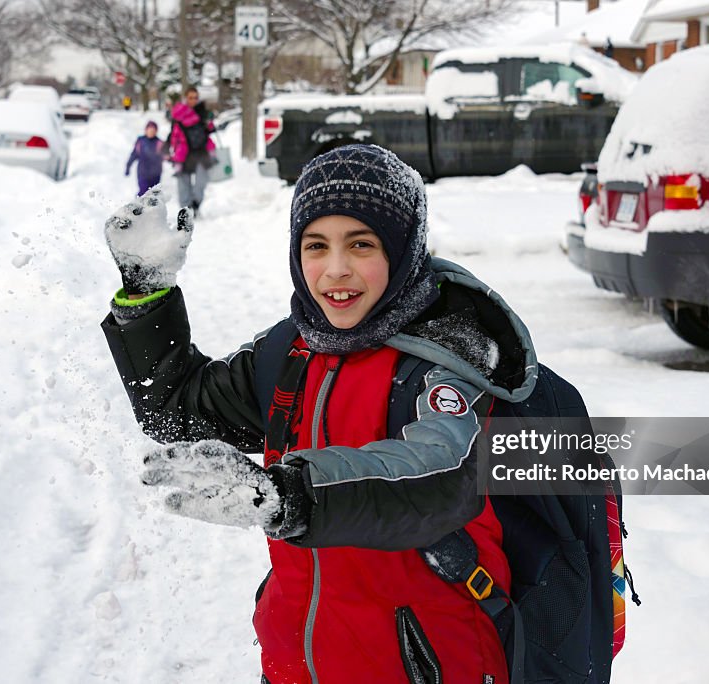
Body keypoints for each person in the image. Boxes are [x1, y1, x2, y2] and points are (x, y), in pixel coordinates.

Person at [101, 145, 549, 683]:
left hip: (425, 662)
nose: (336, 270)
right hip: (299, 660)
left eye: (361, 244)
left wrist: (290, 496)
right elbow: (177, 410)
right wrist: (147, 294)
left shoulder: (449, 358)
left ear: (404, 249)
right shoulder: (291, 351)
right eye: (316, 245)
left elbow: (443, 473)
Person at [166, 86, 216, 218]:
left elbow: (209, 130)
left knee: (202, 179)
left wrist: (210, 122)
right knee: (183, 182)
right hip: (184, 151)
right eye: (190, 97)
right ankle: (185, 208)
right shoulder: (178, 113)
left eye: (195, 97)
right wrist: (168, 147)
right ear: (185, 98)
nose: (193, 100)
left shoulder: (202, 112)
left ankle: (196, 204)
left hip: (201, 150)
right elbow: (173, 132)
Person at [124, 121, 166, 196]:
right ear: (146, 130)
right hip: (143, 172)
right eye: (149, 130)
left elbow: (165, 155)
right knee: (143, 192)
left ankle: (152, 208)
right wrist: (128, 166)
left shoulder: (159, 143)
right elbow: (134, 155)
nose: (151, 132)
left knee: (154, 194)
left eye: (153, 130)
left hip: (156, 173)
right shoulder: (141, 141)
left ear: (156, 131)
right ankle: (137, 205)